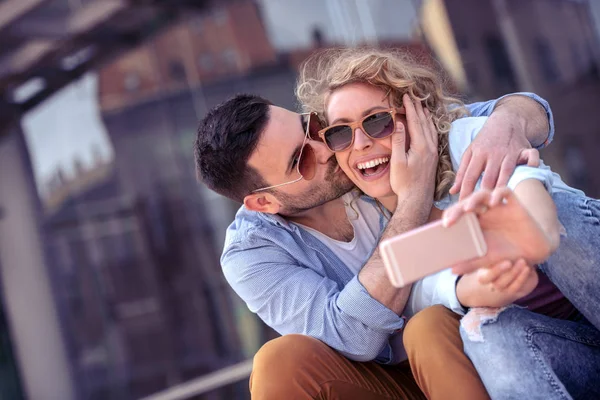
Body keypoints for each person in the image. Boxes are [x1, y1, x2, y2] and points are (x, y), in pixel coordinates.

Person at [194, 82, 555, 398]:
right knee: (277, 363)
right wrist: (413, 198)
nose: (324, 148)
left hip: (469, 337)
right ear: (264, 203)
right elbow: (351, 336)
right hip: (391, 381)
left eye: (311, 126)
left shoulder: (355, 139)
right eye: (301, 160)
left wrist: (507, 125)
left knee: (427, 327)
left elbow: (520, 111)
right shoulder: (250, 254)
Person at [296, 47, 600, 399]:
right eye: (340, 133)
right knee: (484, 330)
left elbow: (542, 213)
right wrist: (489, 267)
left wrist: (528, 233)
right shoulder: (384, 241)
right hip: (573, 351)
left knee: (559, 214)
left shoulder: (467, 141)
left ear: (416, 116)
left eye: (376, 121)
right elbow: (469, 288)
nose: (360, 143)